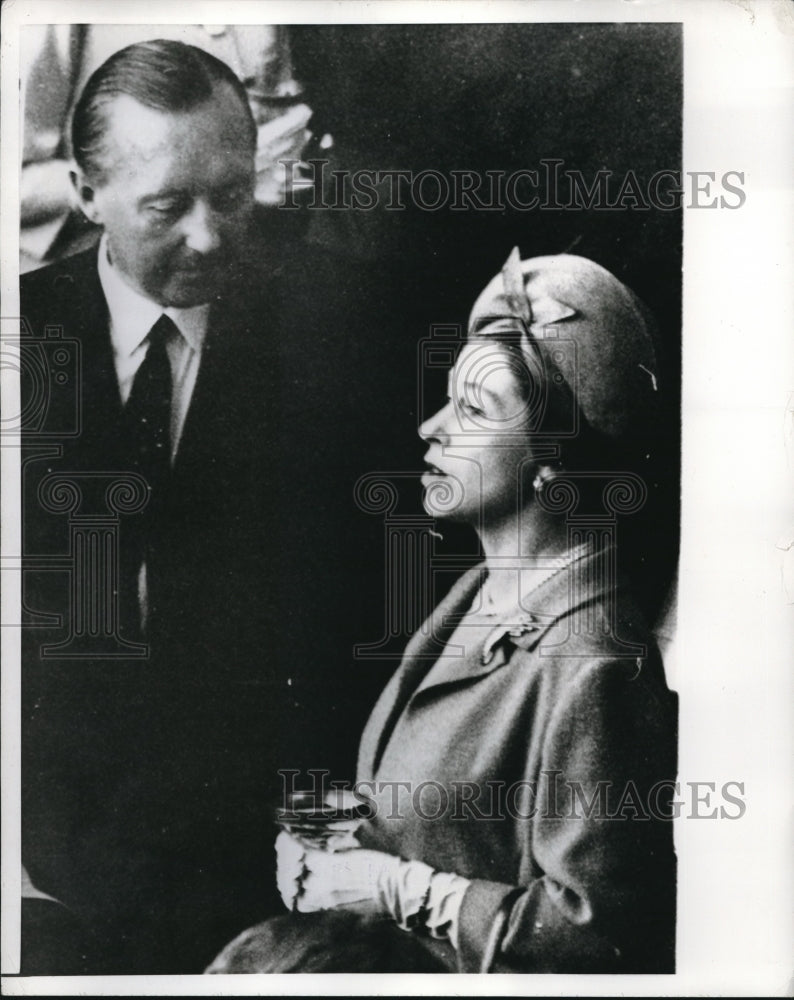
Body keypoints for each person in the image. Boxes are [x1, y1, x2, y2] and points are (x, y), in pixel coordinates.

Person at [206, 249, 678, 974]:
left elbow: (598, 937)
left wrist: (401, 890)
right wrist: (342, 850)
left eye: (472, 410)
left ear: (554, 455)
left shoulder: (595, 661)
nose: (431, 427)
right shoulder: (480, 594)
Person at [20, 40, 290, 972]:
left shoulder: (341, 331)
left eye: (231, 193)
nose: (211, 237)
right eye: (168, 207)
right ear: (85, 194)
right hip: (42, 863)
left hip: (268, 870)